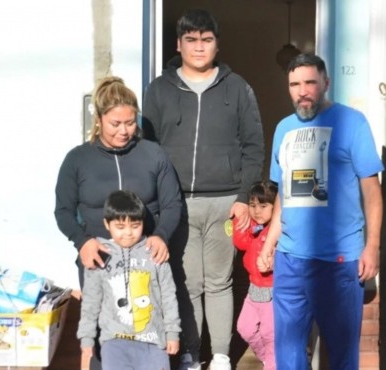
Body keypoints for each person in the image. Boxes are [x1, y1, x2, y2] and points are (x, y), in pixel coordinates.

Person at [142, 9, 264, 370]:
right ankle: (193, 356)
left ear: (216, 44)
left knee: (220, 282)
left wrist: (243, 198)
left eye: (206, 40)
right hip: (176, 204)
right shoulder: (160, 89)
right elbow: (148, 148)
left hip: (226, 203)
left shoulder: (237, 87)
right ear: (179, 44)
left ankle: (222, 356)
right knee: (188, 283)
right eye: (191, 40)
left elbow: (254, 145)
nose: (199, 47)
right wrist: (158, 203)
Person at [258, 54, 383, 370]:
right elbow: (283, 197)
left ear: (326, 83)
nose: (303, 91)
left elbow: (372, 191)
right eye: (295, 84)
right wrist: (269, 244)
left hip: (338, 261)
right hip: (290, 262)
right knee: (287, 356)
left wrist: (372, 247)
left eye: (310, 82)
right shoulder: (283, 129)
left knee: (341, 356)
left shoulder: (352, 122)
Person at [55, 76, 183, 369]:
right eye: (116, 124)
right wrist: (82, 241)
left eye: (130, 122)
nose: (125, 131)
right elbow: (63, 210)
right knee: (105, 329)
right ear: (99, 119)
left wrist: (161, 235)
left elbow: (173, 203)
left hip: (145, 259)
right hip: (98, 259)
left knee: (148, 322)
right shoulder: (77, 159)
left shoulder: (153, 154)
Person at [77, 190, 181, 370]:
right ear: (107, 224)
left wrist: (172, 333)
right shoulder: (100, 254)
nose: (128, 233)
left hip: (153, 342)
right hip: (114, 344)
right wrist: (87, 336)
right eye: (120, 226)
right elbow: (91, 301)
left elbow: (168, 296)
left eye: (135, 225)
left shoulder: (154, 251)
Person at [232, 181, 277, 370]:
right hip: (253, 289)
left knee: (270, 334)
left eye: (263, 205)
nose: (257, 211)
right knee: (244, 327)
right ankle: (267, 358)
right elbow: (240, 243)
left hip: (272, 291)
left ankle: (272, 364)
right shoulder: (253, 227)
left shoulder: (277, 231)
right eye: (253, 205)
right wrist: (239, 218)